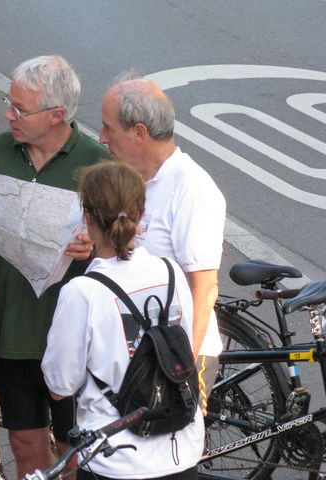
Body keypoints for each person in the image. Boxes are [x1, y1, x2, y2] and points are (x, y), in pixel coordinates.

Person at [0, 55, 111, 478]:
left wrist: (95, 248)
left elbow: (127, 246)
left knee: (74, 449)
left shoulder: (96, 163)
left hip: (74, 333)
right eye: (10, 102)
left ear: (57, 115)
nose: (8, 115)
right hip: (13, 328)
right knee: (24, 442)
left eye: (20, 109)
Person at [42, 161, 204, 479]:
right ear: (141, 215)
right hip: (181, 451)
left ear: (87, 217)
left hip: (115, 458)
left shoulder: (82, 291)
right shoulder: (171, 273)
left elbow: (60, 384)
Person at [99, 73, 226, 415]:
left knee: (172, 459)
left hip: (174, 355)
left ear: (139, 133)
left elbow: (204, 287)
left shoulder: (190, 188)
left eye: (109, 129)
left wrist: (182, 369)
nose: (101, 138)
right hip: (135, 351)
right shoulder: (132, 178)